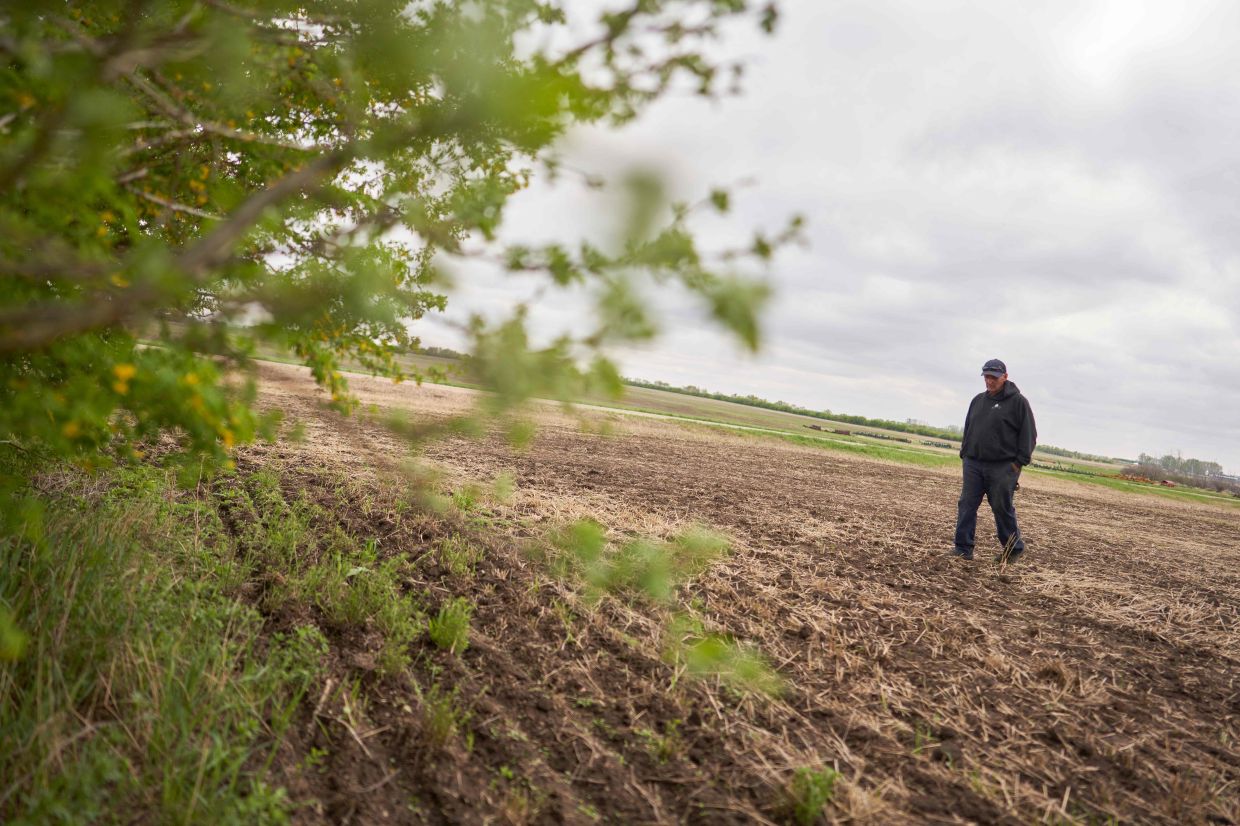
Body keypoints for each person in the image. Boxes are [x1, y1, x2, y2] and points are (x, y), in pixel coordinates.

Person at [951, 358, 1037, 563]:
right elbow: (969, 427)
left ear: (1005, 377)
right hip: (973, 463)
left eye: (994, 378)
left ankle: (1013, 549)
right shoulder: (978, 400)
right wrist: (965, 453)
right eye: (987, 377)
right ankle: (963, 548)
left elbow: (1029, 435)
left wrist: (1018, 463)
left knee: (1001, 506)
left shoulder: (1018, 402)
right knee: (966, 504)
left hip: (1003, 466)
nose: (989, 381)